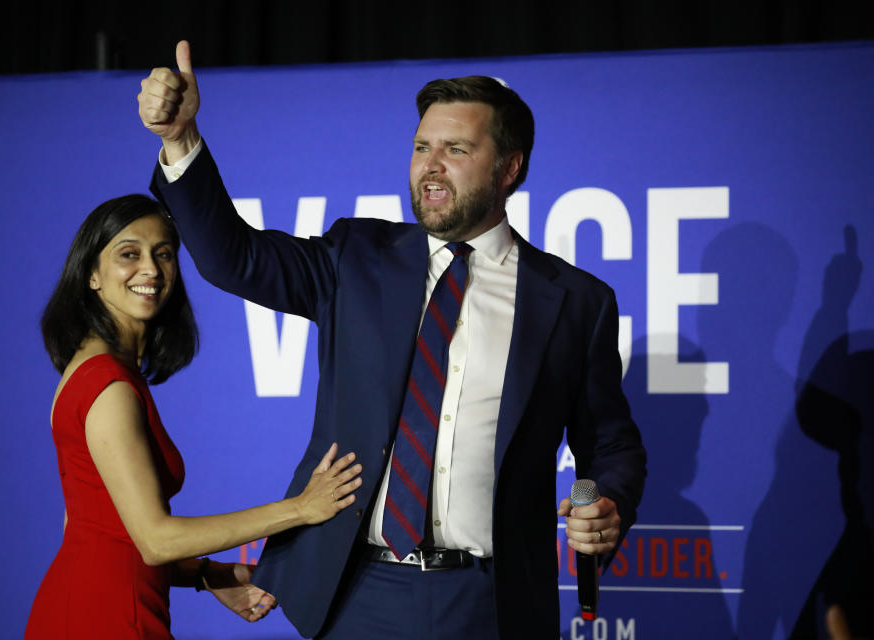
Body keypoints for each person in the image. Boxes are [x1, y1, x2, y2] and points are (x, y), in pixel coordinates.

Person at [139, 41, 647, 639]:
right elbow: (234, 259)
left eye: (456, 150)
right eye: (421, 148)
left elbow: (606, 446)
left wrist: (602, 499)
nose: (431, 165)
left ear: (510, 169)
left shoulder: (576, 302)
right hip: (358, 591)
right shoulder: (357, 258)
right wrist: (181, 140)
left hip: (492, 602)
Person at [25, 194, 362, 639]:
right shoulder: (106, 384)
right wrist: (300, 508)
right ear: (91, 274)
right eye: (129, 254)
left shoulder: (93, 369)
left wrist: (207, 574)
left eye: (163, 254)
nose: (151, 269)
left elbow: (97, 527)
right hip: (108, 616)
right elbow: (156, 539)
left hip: (90, 604)